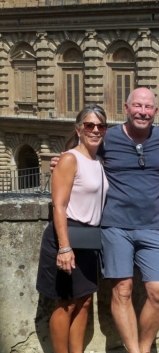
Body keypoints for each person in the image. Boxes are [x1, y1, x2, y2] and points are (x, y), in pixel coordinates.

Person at [50, 87, 159, 353]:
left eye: (148, 107)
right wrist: (60, 162)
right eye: (137, 106)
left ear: (156, 111)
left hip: (152, 226)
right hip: (114, 226)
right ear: (126, 109)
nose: (142, 111)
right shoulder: (109, 136)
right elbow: (84, 153)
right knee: (123, 291)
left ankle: (144, 346)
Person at [37, 104, 109, 353]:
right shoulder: (69, 158)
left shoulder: (99, 161)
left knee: (85, 301)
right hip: (66, 236)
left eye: (101, 126)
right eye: (89, 125)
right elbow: (59, 205)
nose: (95, 130)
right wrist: (64, 247)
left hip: (89, 240)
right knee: (65, 303)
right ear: (78, 129)